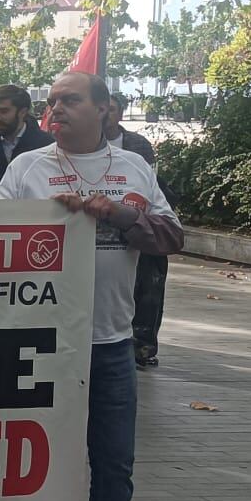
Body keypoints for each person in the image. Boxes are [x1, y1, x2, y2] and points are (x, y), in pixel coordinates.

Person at [0, 70, 181, 501]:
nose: (56, 109)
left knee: (114, 459)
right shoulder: (26, 169)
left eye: (70, 100)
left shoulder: (133, 168)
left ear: (105, 109)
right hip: (42, 345)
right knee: (49, 455)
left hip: (110, 343)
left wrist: (122, 215)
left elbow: (171, 237)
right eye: (51, 101)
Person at [101, 96, 166, 367]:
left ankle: (143, 345)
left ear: (120, 114)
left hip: (139, 227)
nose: (106, 116)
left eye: (111, 110)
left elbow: (150, 188)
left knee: (146, 290)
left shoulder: (138, 147)